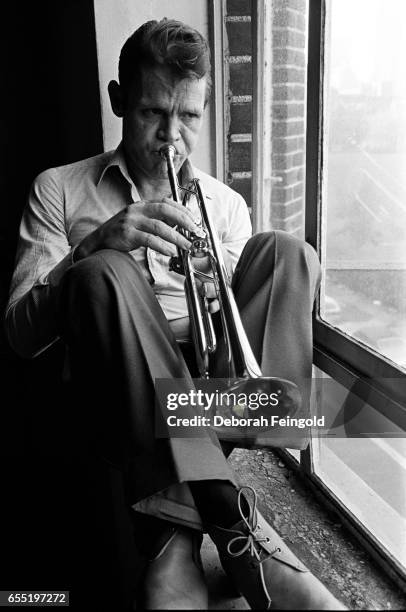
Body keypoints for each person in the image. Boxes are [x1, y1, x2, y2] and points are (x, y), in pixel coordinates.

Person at [5, 18, 345, 610]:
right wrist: (93, 247)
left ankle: (172, 533)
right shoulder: (58, 189)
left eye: (188, 116)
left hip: (218, 397)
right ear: (117, 101)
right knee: (103, 273)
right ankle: (232, 528)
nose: (171, 137)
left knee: (289, 254)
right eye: (152, 113)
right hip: (114, 388)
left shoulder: (224, 203)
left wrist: (220, 293)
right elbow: (19, 336)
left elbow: (247, 335)